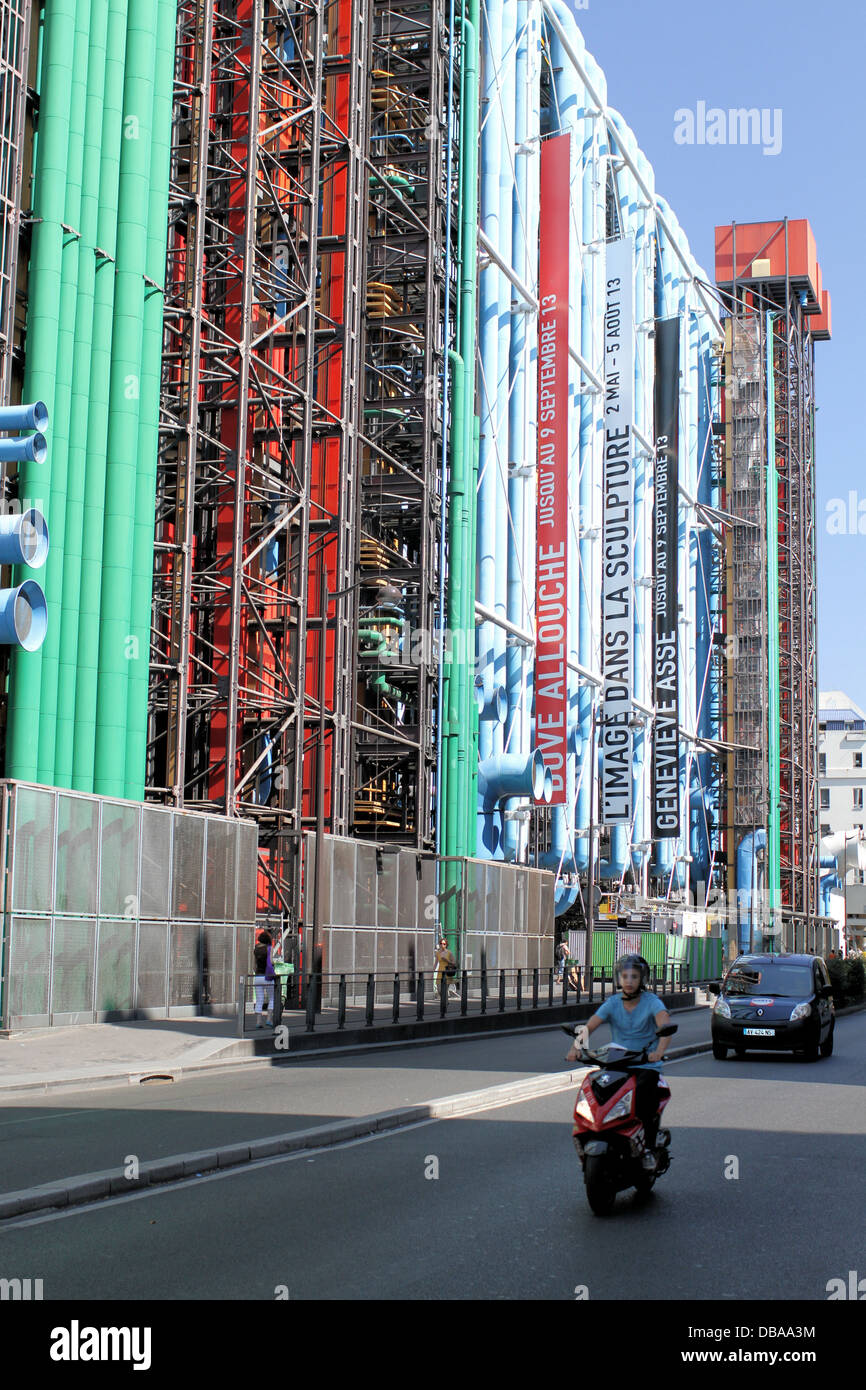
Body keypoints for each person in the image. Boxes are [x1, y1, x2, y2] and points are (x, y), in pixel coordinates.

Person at [566, 953, 671, 1172]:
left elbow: (664, 1025)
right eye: (625, 976)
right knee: (593, 1087)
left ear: (642, 978)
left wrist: (659, 1051)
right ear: (618, 978)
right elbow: (591, 1025)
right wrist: (576, 1048)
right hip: (617, 1063)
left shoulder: (652, 1002)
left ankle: (649, 1148)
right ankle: (593, 1131)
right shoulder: (613, 1003)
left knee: (644, 1095)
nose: (629, 981)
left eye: (634, 976)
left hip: (645, 1065)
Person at [253, 929, 275, 1028]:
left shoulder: (256, 949)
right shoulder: (269, 948)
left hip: (257, 977)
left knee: (259, 999)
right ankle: (269, 1019)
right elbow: (270, 961)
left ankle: (258, 1022)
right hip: (267, 977)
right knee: (272, 998)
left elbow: (254, 966)